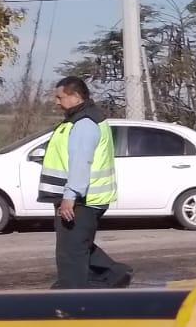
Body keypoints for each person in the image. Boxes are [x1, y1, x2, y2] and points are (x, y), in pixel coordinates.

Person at [40, 76, 131, 289]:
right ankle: (116, 274)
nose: (56, 102)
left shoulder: (84, 123)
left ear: (75, 96)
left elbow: (81, 162)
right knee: (80, 245)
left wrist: (70, 197)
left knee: (71, 252)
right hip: (86, 199)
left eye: (60, 97)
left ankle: (71, 296)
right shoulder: (80, 119)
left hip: (82, 200)